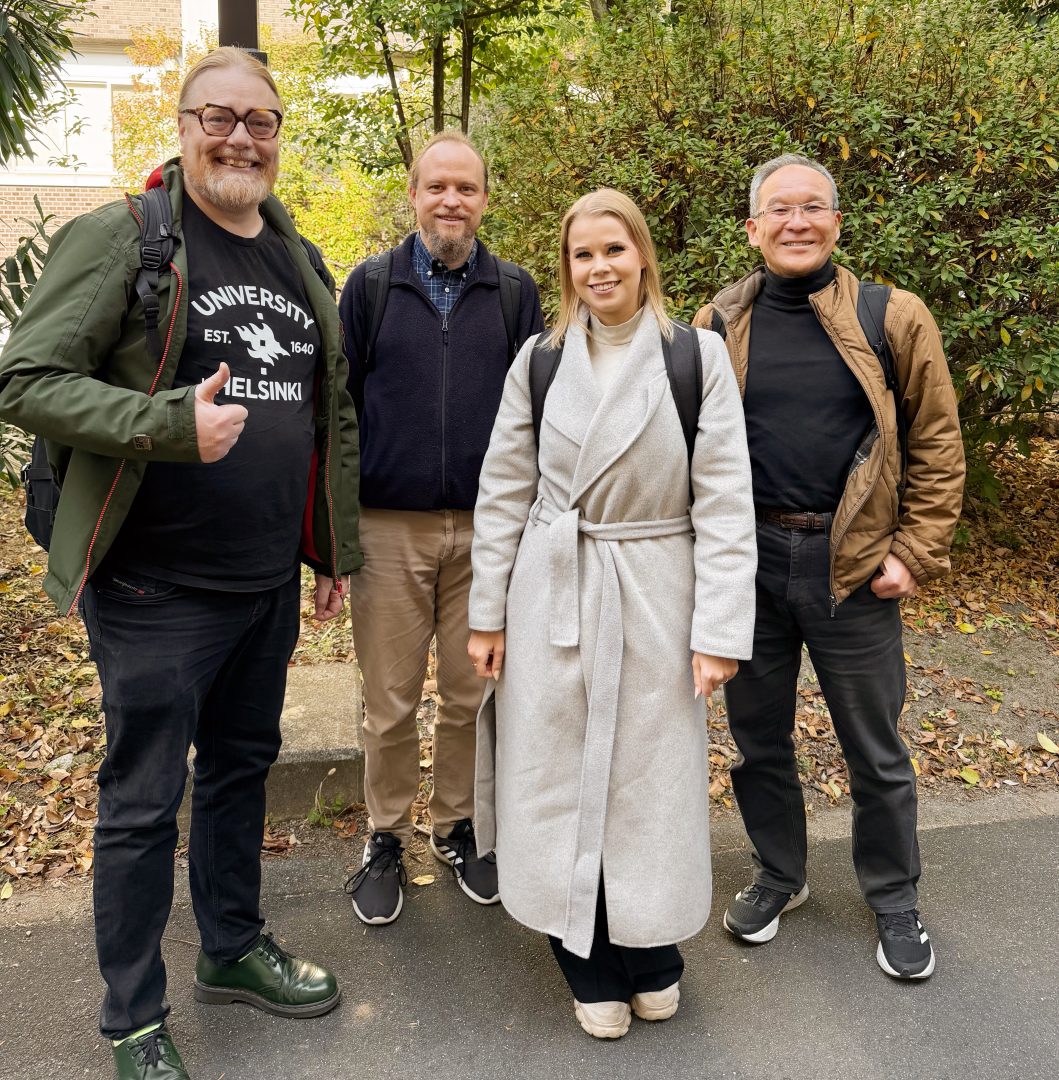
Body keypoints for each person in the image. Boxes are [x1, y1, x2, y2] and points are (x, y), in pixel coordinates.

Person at [0, 48, 361, 1080]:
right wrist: (163, 425)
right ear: (184, 121)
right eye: (220, 117)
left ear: (280, 135)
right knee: (143, 801)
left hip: (262, 586)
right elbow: (24, 375)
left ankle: (235, 947)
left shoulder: (296, 254)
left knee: (241, 774)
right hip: (154, 590)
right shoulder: (127, 236)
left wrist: (327, 547)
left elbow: (322, 412)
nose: (241, 137)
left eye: (262, 120)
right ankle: (132, 1017)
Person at [467, 189, 757, 1038]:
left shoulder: (694, 357)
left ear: (642, 259)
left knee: (646, 781)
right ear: (567, 267)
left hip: (657, 588)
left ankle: (652, 947)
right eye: (581, 255)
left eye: (613, 251)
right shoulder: (539, 360)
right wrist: (488, 616)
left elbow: (725, 501)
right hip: (553, 586)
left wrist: (716, 632)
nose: (598, 268)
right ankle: (584, 952)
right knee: (553, 774)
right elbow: (503, 492)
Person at [692, 153, 964, 980]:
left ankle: (893, 899)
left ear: (836, 223)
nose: (795, 222)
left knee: (874, 749)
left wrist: (912, 553)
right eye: (778, 210)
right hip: (751, 564)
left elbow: (937, 442)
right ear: (752, 228)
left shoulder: (893, 314)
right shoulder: (718, 319)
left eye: (812, 207)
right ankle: (780, 874)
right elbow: (687, 447)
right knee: (756, 742)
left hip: (852, 568)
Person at [338, 131, 544, 925]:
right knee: (389, 703)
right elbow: (342, 412)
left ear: (483, 198)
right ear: (415, 195)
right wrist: (332, 532)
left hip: (490, 529)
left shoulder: (515, 290)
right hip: (389, 528)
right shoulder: (372, 287)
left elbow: (536, 413)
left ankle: (458, 827)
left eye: (465, 188)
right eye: (436, 187)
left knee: (469, 695)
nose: (450, 201)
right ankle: (385, 837)